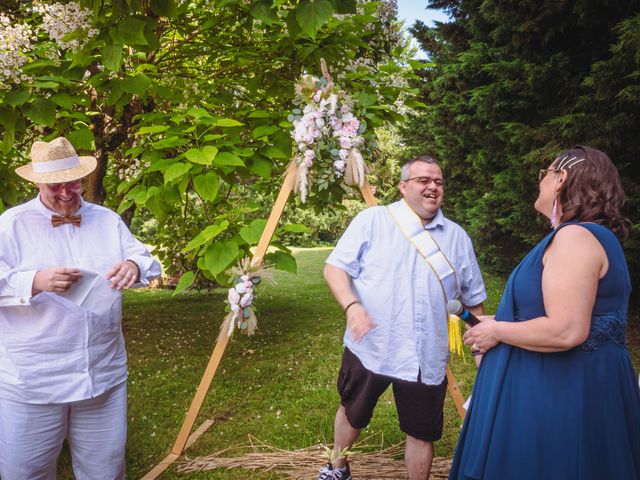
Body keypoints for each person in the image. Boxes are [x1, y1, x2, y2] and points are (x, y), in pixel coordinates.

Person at [450, 146, 640, 480]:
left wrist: (496, 332)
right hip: (568, 386)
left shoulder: (575, 238)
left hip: (563, 396)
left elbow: (567, 330)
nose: (540, 184)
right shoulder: (586, 237)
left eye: (544, 175)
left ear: (561, 179)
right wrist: (501, 321)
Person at [0, 137, 162, 479]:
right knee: (24, 471)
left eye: (72, 183)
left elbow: (147, 262)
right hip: (33, 379)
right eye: (55, 186)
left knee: (104, 469)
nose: (65, 193)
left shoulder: (107, 220)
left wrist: (133, 265)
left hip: (101, 373)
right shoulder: (11, 224)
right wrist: (34, 281)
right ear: (37, 183)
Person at [319, 155, 486, 480]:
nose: (433, 187)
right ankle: (337, 466)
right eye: (424, 180)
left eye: (438, 181)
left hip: (425, 355)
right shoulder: (373, 221)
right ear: (403, 186)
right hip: (371, 345)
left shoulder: (457, 237)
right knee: (352, 413)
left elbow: (474, 300)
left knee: (422, 432)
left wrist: (481, 347)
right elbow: (334, 268)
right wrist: (353, 307)